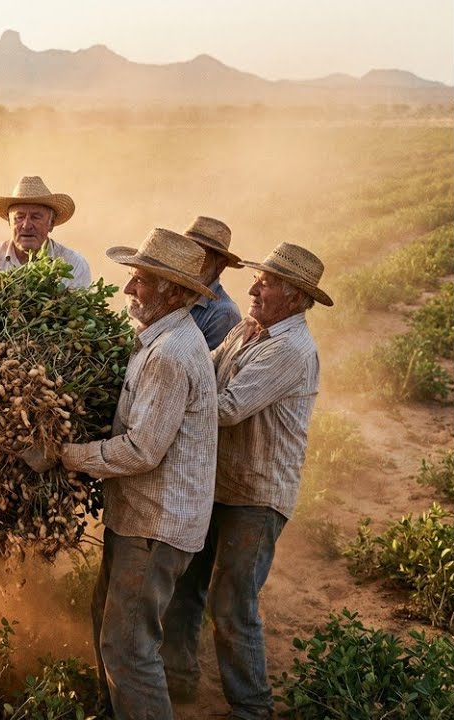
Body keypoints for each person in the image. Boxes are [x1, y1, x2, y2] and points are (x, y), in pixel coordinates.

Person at [23, 228, 218, 720]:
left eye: (139, 280)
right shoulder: (158, 340)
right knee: (109, 628)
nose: (128, 289)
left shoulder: (171, 354)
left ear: (172, 291)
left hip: (155, 524)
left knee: (129, 648)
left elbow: (141, 450)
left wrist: (65, 454)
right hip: (138, 518)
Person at [161, 243, 332, 719]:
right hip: (219, 483)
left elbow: (229, 408)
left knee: (232, 601)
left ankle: (252, 708)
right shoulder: (248, 328)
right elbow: (205, 367)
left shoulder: (291, 348)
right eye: (258, 278)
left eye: (268, 282)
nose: (254, 287)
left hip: (256, 494)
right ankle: (178, 680)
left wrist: (165, 395)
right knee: (188, 582)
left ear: (296, 298)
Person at [0, 175, 92, 289]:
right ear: (9, 222)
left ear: (51, 223)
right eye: (19, 217)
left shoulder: (74, 264)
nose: (26, 225)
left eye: (36, 217)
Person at [183, 216, 243, 350]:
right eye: (186, 252)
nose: (188, 261)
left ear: (220, 265)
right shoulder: (175, 295)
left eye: (199, 255)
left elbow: (207, 368)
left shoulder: (224, 313)